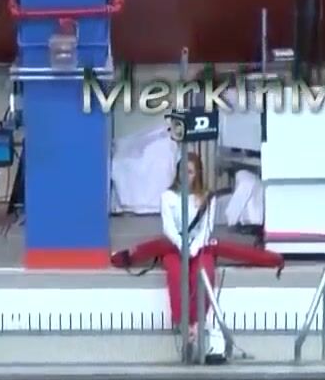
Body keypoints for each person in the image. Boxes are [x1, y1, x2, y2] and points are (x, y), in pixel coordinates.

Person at [110, 151, 284, 361]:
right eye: (183, 170)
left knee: (204, 272)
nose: (186, 175)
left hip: (199, 245)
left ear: (198, 174)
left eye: (191, 172)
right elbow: (168, 228)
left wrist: (194, 248)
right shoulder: (167, 197)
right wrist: (182, 245)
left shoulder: (206, 197)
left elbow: (206, 229)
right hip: (174, 245)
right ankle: (184, 325)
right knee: (175, 274)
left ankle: (197, 324)